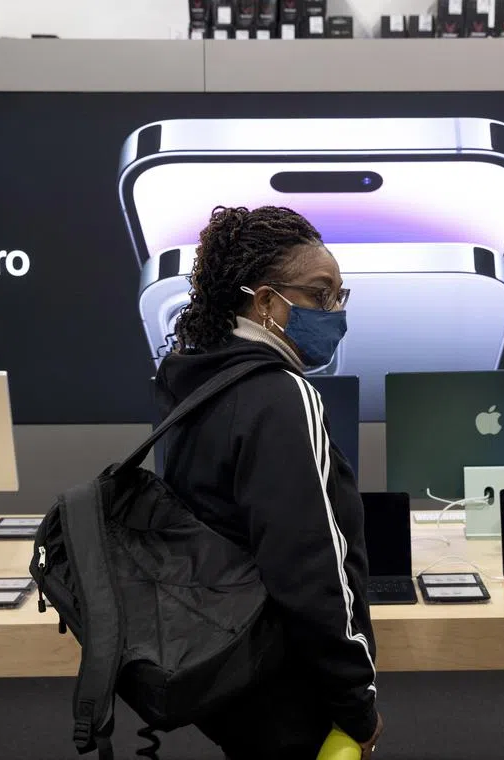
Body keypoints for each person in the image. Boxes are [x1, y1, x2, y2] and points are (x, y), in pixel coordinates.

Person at [153, 205, 382, 760]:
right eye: (319, 294)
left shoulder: (194, 376)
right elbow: (308, 561)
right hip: (284, 679)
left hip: (223, 659)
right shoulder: (282, 394)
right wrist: (355, 698)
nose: (334, 312)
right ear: (264, 302)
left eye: (339, 296)